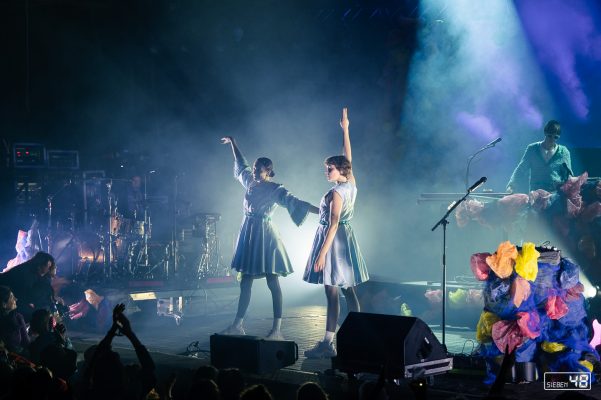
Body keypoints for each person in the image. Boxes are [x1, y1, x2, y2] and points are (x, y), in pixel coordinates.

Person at [220, 136, 318, 340]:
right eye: (255, 168)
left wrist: (322, 212)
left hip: (265, 235)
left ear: (268, 171)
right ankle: (238, 325)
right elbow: (241, 164)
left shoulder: (275, 189)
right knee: (245, 280)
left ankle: (277, 329)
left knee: (272, 280)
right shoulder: (250, 182)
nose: (255, 171)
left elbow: (296, 202)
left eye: (259, 169)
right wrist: (233, 143)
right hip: (249, 232)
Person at [303, 108, 369, 359]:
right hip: (345, 240)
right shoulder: (350, 183)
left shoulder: (337, 193)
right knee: (348, 289)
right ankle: (357, 335)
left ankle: (327, 343)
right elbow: (347, 158)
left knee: (332, 291)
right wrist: (346, 129)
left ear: (339, 171)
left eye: (329, 168)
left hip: (334, 241)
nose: (327, 170)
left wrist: (321, 255)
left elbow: (332, 224)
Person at [506, 120, 573, 194]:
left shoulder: (563, 152)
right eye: (550, 136)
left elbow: (568, 175)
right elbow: (521, 169)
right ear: (545, 133)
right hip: (536, 196)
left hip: (555, 196)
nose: (552, 139)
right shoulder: (532, 149)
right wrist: (511, 186)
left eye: (555, 137)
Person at [0, 251, 57, 321]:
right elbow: (23, 295)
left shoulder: (36, 272)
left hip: (14, 299)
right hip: (6, 299)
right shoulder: (26, 273)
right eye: (48, 266)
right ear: (40, 265)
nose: (49, 269)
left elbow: (45, 289)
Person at [0, 286, 30, 355]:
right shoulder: (17, 317)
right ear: (3, 304)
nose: (16, 299)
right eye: (12, 297)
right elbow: (26, 342)